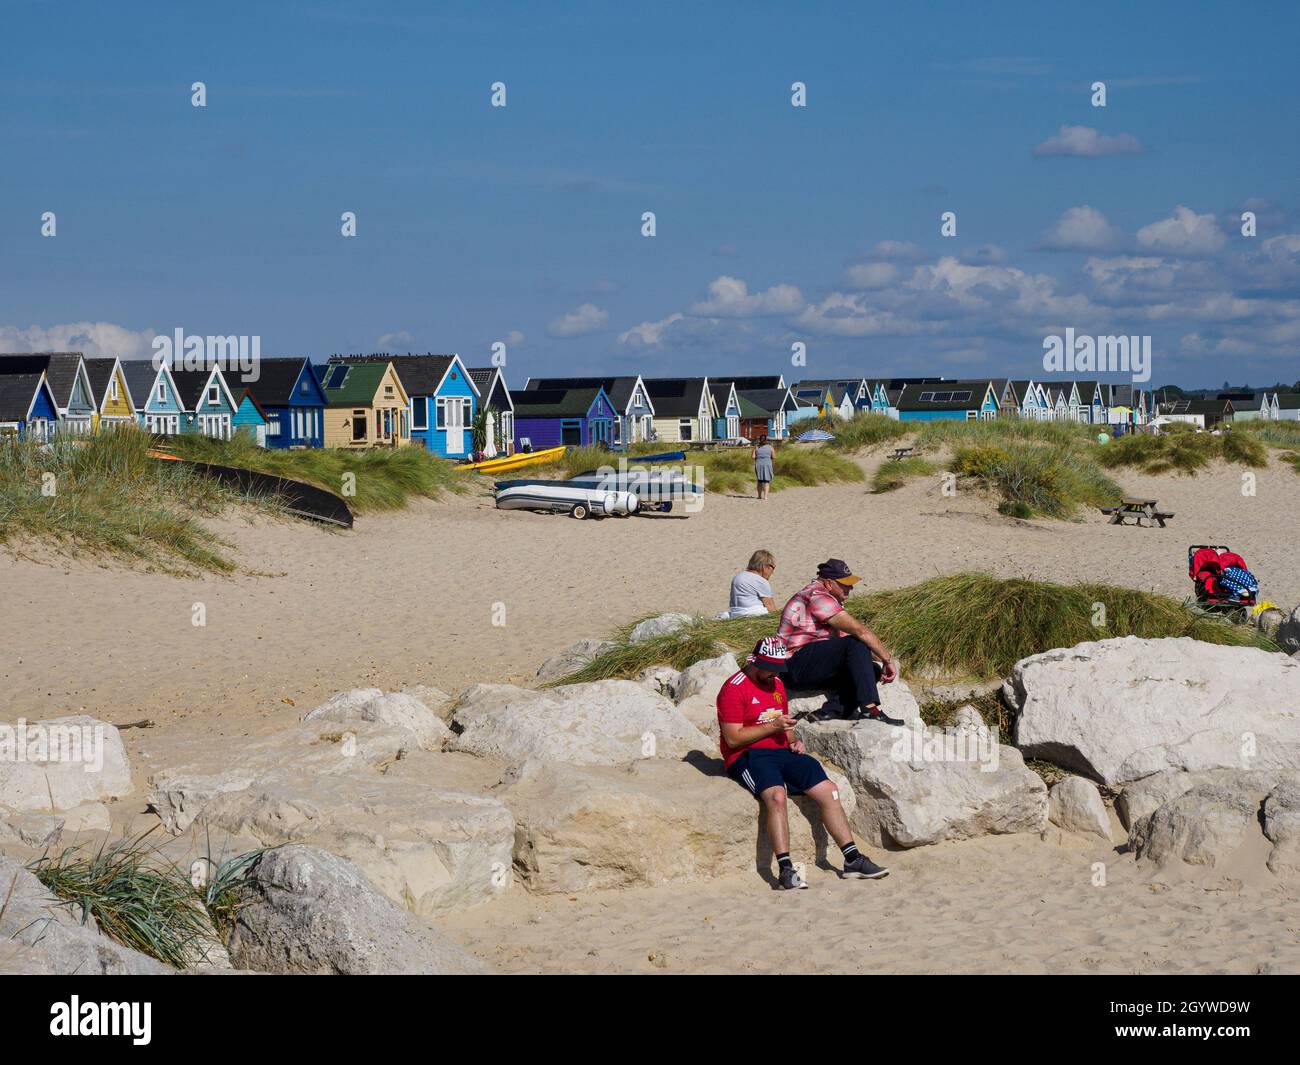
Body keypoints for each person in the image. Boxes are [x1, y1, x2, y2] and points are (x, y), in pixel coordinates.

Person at [717, 636, 890, 888]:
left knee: (829, 791)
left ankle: (852, 859)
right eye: (771, 667)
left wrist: (792, 738)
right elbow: (733, 739)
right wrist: (772, 727)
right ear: (756, 662)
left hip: (780, 750)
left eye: (779, 667)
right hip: (747, 754)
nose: (776, 673)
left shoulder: (775, 683)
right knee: (776, 796)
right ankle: (786, 869)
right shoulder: (733, 688)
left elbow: (782, 723)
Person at [777, 558, 903, 725]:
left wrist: (881, 661)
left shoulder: (826, 597)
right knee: (855, 642)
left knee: (871, 670)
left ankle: (828, 713)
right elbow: (860, 632)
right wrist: (887, 659)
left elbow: (851, 645)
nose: (850, 587)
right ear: (829, 583)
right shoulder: (817, 595)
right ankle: (870, 710)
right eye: (845, 584)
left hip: (809, 665)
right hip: (791, 666)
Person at [728, 550, 777, 617]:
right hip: (752, 614)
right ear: (765, 566)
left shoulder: (738, 576)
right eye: (773, 568)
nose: (772, 572)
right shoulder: (760, 580)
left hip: (735, 614)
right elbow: (771, 608)